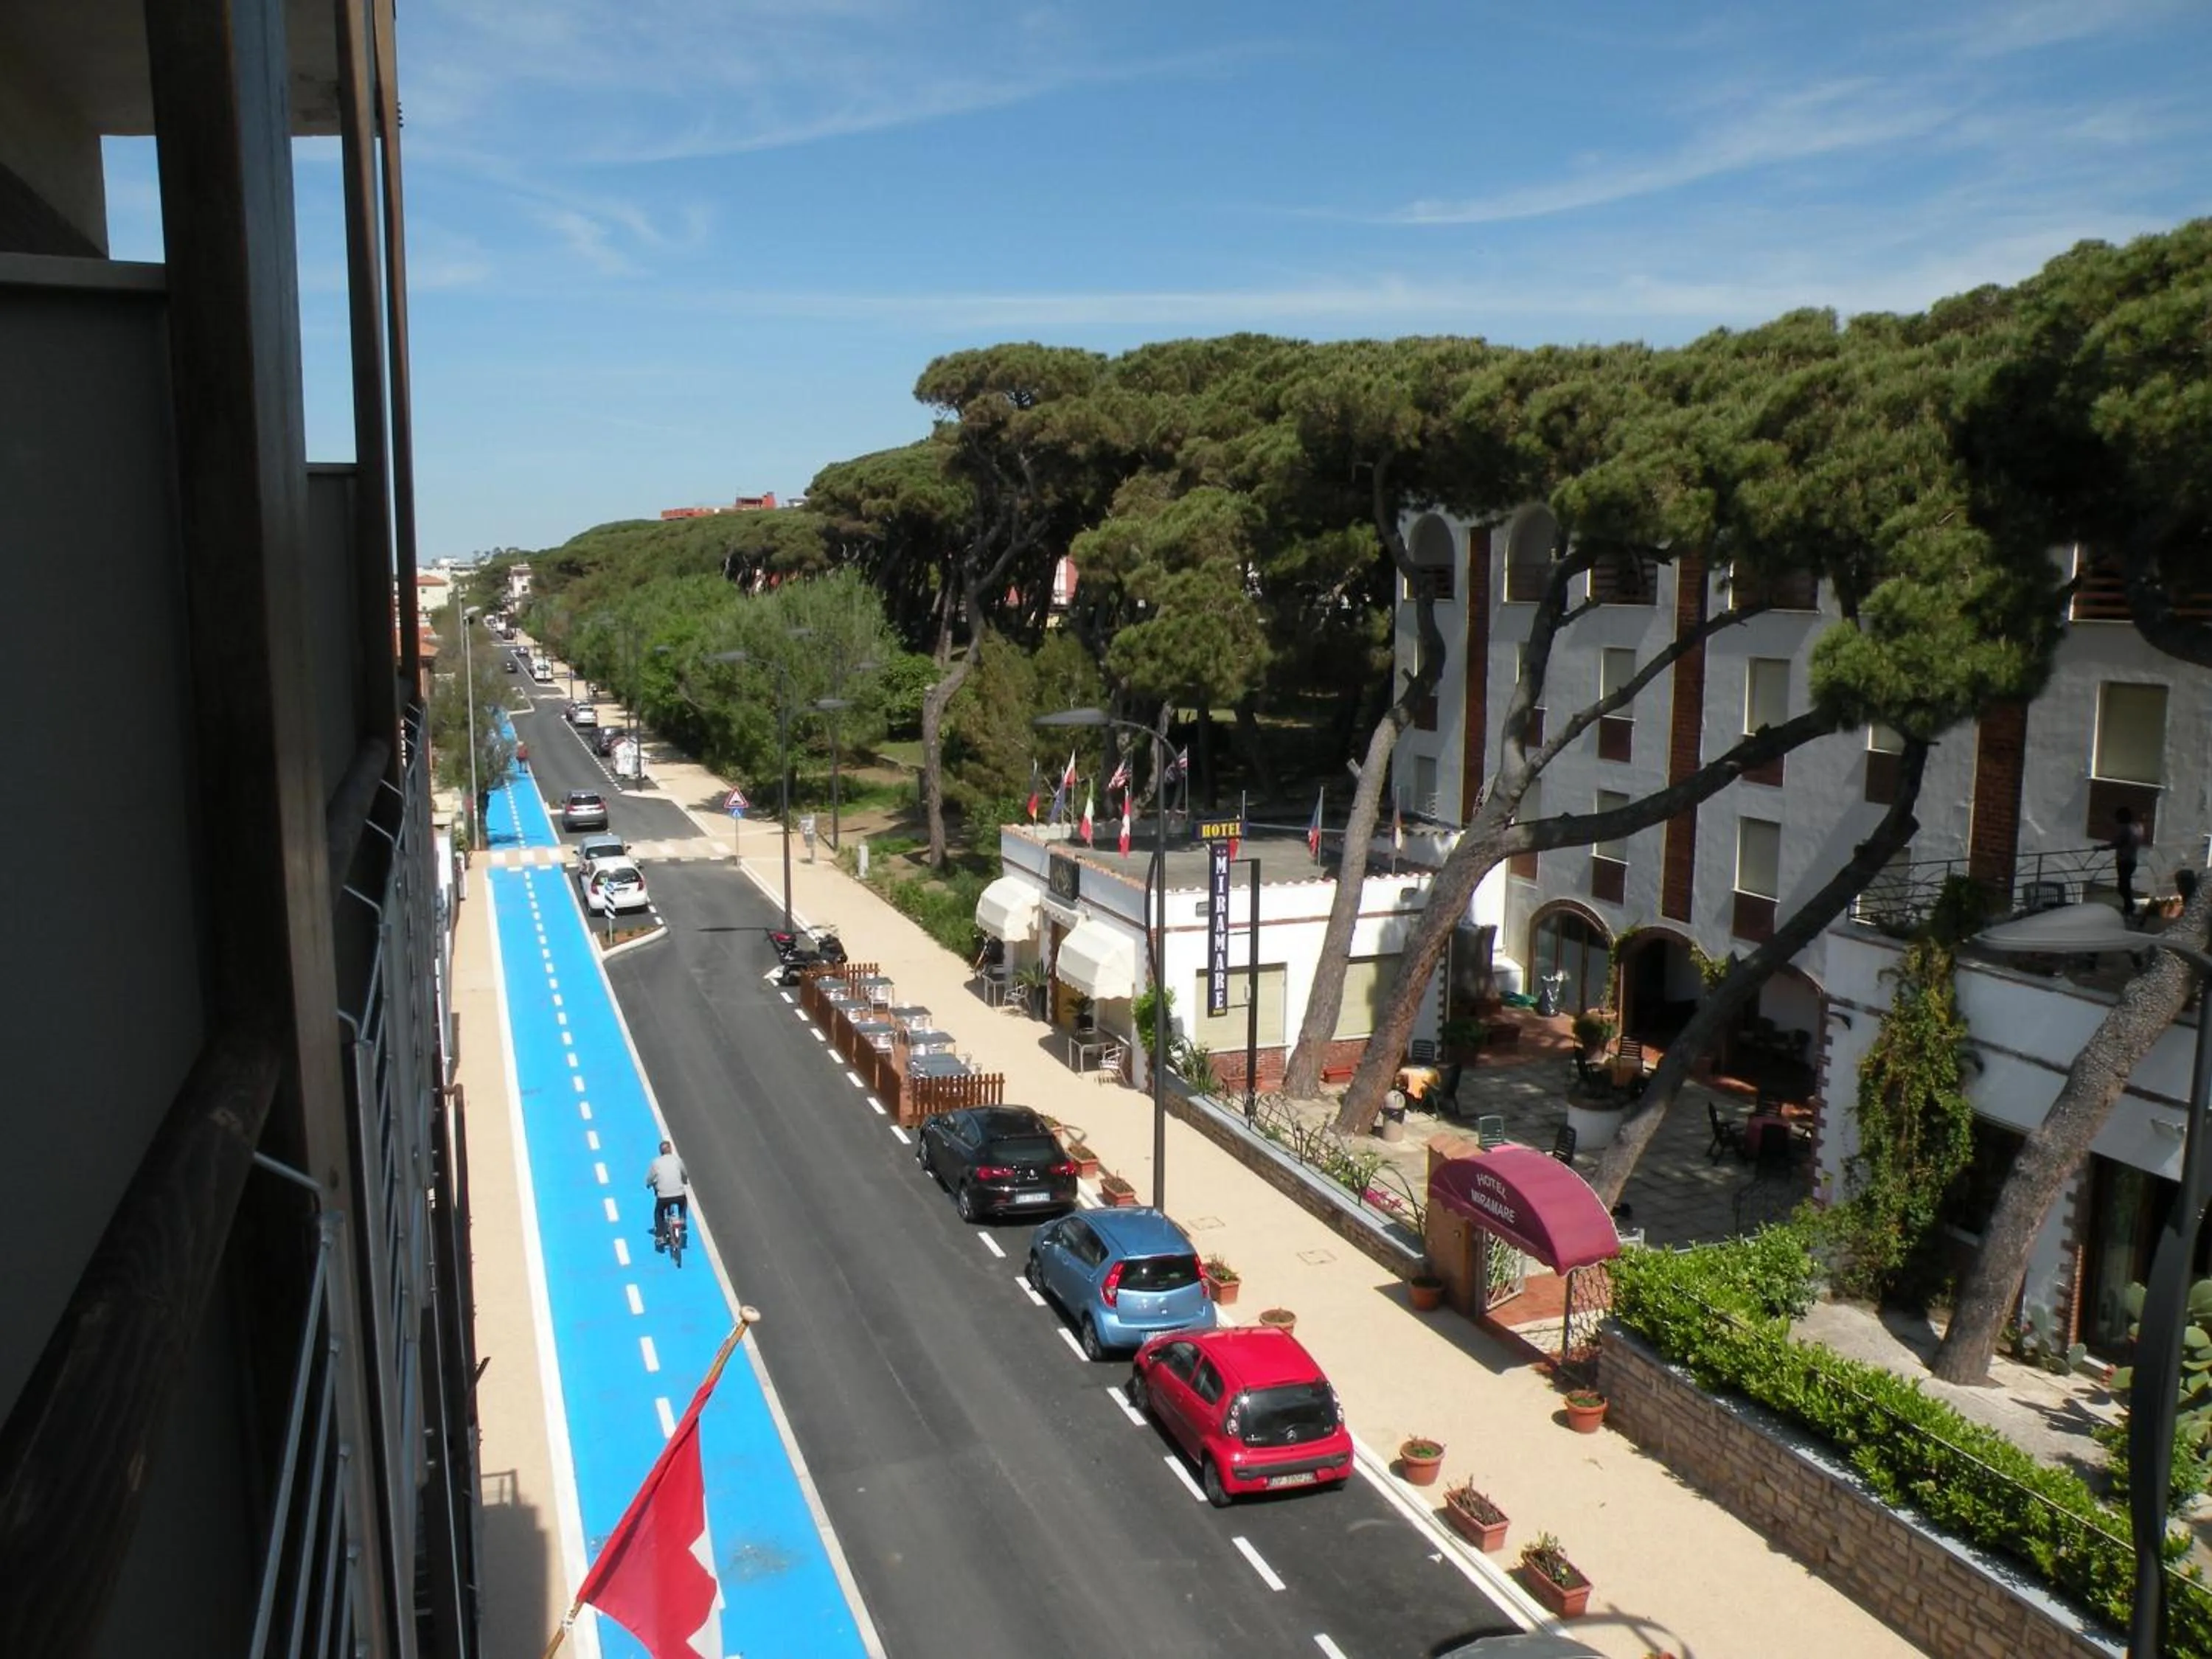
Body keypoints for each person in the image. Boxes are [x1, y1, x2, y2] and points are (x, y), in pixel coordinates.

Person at [644, 1139, 688, 1250]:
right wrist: (684, 1181)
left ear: (661, 1152)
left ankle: (660, 1235)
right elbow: (684, 1174)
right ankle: (682, 1219)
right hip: (679, 1194)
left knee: (658, 1212)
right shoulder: (677, 1160)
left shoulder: (656, 1162)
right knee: (683, 1202)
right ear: (671, 1150)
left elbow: (650, 1179)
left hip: (663, 1196)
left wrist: (649, 1184)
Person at [2108, 806, 2145, 921]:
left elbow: (2117, 843)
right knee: (2126, 884)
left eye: (2118, 817)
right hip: (2133, 860)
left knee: (2123, 886)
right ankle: (2129, 908)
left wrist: (2100, 848)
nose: (2116, 820)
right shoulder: (2138, 827)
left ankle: (2130, 908)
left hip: (2123, 860)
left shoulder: (2126, 829)